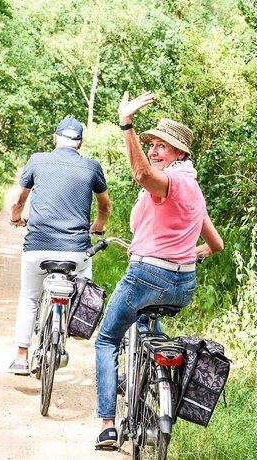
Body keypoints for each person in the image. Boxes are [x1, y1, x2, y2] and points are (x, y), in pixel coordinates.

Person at [94, 91, 223, 448]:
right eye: (151, 143)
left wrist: (127, 123)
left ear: (179, 153)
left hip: (147, 276)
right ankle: (145, 377)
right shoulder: (193, 189)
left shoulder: (171, 182)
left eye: (162, 146)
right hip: (183, 284)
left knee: (106, 339)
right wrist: (188, 254)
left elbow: (140, 173)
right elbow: (216, 245)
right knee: (147, 327)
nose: (153, 150)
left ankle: (107, 425)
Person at [8, 117, 111, 375]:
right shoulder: (91, 166)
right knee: (84, 285)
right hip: (76, 250)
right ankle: (76, 323)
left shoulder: (37, 160)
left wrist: (15, 219)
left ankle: (21, 356)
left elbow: (19, 200)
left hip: (38, 248)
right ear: (80, 143)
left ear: (54, 139)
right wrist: (98, 225)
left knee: (29, 297)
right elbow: (105, 206)